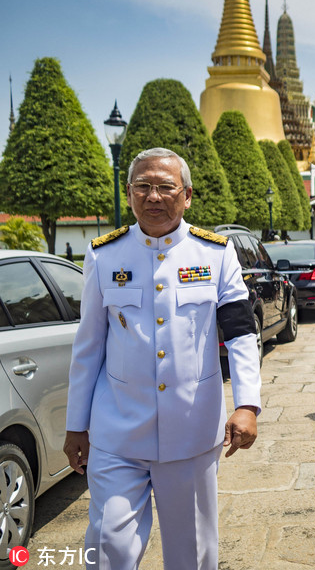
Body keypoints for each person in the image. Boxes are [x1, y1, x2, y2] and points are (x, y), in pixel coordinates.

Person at [63, 147, 262, 569]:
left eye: (165, 187)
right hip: (117, 430)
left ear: (186, 195)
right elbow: (89, 345)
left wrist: (247, 404)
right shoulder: (104, 255)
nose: (153, 197)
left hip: (190, 430)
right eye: (143, 187)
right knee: (110, 544)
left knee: (191, 552)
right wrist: (75, 425)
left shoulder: (215, 254)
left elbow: (242, 332)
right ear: (131, 192)